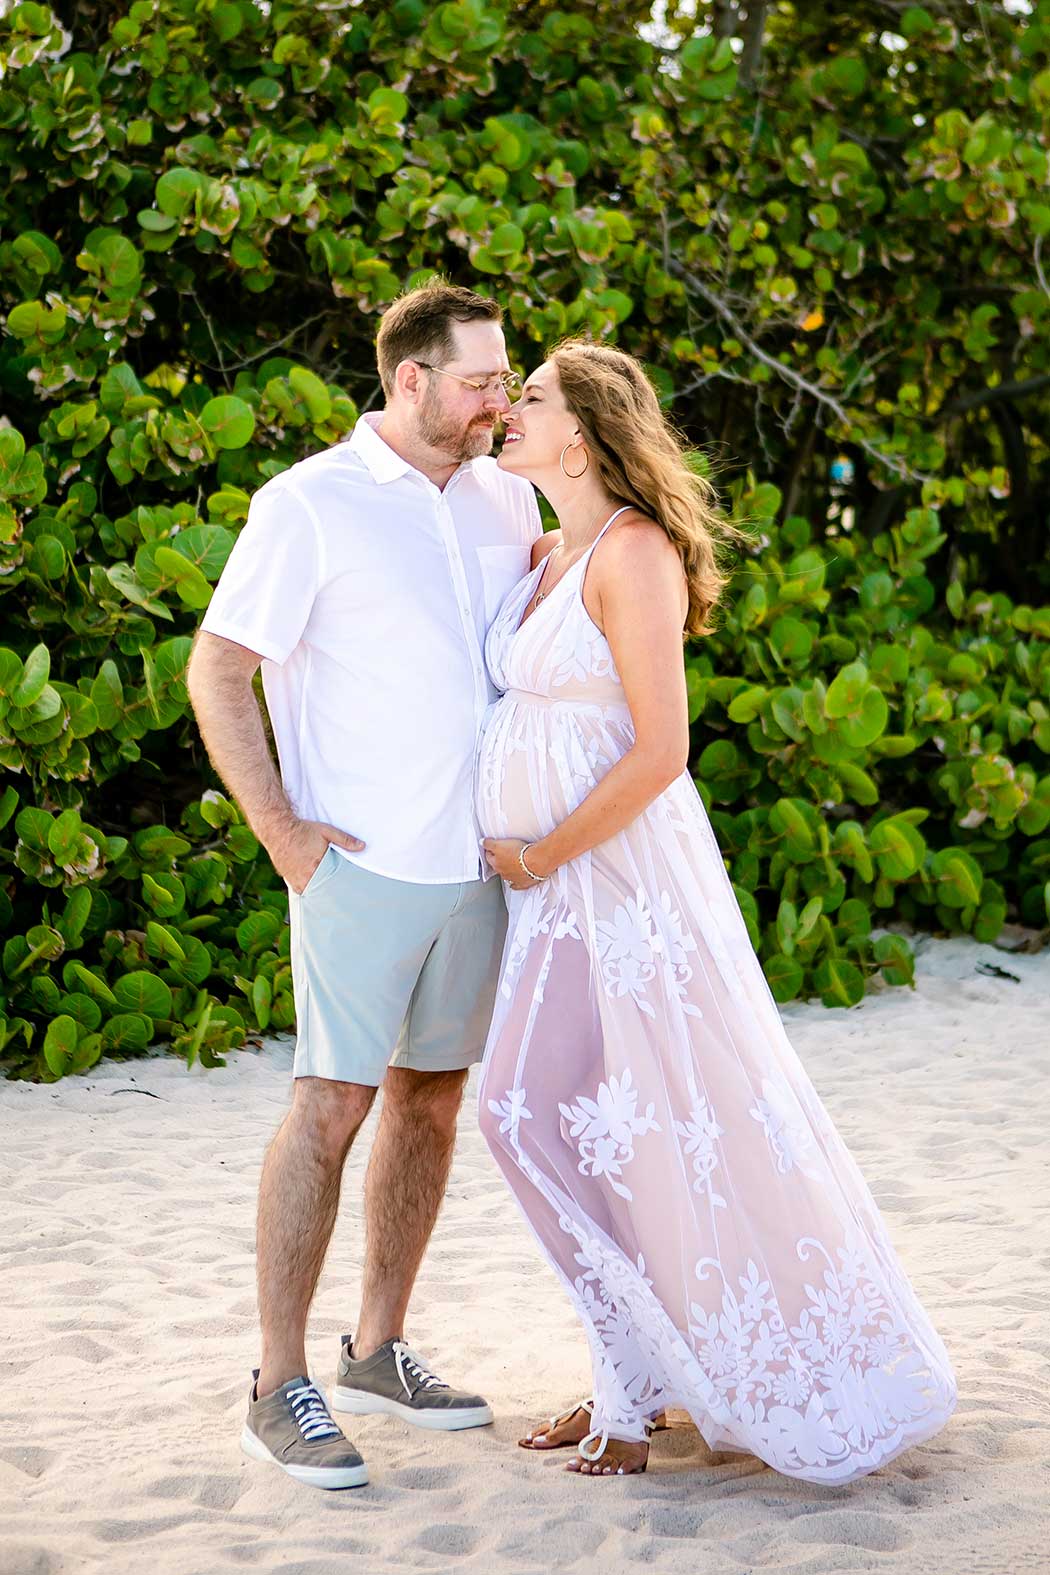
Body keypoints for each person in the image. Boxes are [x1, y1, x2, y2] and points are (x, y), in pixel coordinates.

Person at [476, 340, 958, 1482]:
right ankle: (632, 1382)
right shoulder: (547, 550)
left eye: (530, 396)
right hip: (555, 900)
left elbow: (660, 750)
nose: (509, 408)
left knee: (529, 1113)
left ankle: (633, 1398)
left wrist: (541, 854)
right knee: (598, 1124)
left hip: (613, 881)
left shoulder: (631, 552)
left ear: (583, 434)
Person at [187, 280, 542, 1490]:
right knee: (329, 1108)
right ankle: (274, 1381)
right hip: (359, 868)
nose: (505, 396)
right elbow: (219, 671)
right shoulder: (309, 504)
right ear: (412, 382)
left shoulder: (511, 495)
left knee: (431, 1106)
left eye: (506, 377)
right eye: (485, 379)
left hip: (480, 868)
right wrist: (281, 830)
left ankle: (378, 1348)